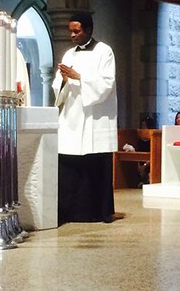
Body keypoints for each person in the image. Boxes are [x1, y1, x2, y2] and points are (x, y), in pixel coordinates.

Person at [52, 12, 118, 223]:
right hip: (72, 116)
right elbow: (57, 85)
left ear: (88, 30)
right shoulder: (69, 54)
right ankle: (69, 211)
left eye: (76, 31)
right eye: (70, 31)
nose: (72, 35)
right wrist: (62, 80)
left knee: (94, 162)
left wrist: (79, 77)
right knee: (69, 163)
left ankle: (99, 211)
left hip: (94, 116)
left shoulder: (104, 51)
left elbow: (107, 83)